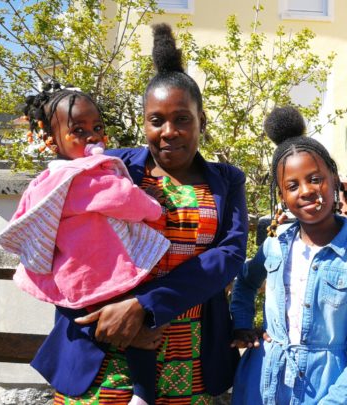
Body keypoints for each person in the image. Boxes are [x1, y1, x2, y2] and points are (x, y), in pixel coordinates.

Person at [26, 23, 248, 404]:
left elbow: (227, 257)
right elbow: (66, 240)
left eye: (182, 119)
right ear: (144, 122)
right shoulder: (112, 168)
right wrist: (106, 313)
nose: (169, 131)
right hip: (105, 342)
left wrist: (144, 306)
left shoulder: (226, 180)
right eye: (156, 120)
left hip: (189, 353)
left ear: (201, 121)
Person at [0, 83, 170, 405]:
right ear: (53, 141)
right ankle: (144, 393)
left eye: (97, 127)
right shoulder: (84, 176)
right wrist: (153, 205)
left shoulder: (48, 179)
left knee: (88, 318)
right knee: (138, 324)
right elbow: (124, 198)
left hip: (74, 270)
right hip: (102, 266)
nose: (93, 136)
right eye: (78, 130)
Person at [229, 106, 347, 404]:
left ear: (334, 177)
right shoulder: (274, 245)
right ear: (282, 196)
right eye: (292, 185)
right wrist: (242, 323)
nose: (306, 191)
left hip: (326, 386)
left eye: (315, 179)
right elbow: (246, 283)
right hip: (263, 383)